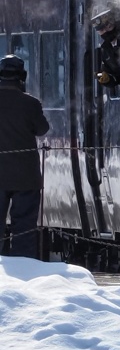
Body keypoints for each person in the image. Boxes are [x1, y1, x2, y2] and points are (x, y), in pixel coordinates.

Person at [0, 54, 50, 258]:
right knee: (24, 228)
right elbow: (42, 129)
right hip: (25, 177)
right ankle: (23, 267)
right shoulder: (30, 103)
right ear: (22, 76)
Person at [92, 8, 120, 87]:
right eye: (101, 29)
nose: (105, 31)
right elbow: (116, 78)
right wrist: (107, 79)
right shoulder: (106, 51)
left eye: (108, 26)